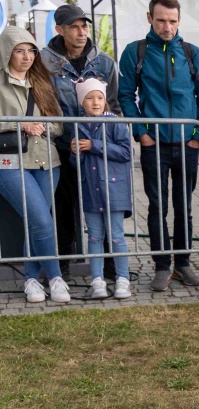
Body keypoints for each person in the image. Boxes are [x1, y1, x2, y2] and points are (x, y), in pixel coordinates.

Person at [118, 0, 199, 292]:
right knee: (157, 206)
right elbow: (125, 96)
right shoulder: (136, 51)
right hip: (153, 145)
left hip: (187, 144)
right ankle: (161, 266)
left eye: (172, 21)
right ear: (149, 18)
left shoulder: (192, 53)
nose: (167, 27)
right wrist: (142, 133)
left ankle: (183, 263)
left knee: (184, 205)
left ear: (179, 19)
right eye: (160, 21)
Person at [41, 4, 120, 279]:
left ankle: (111, 264)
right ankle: (63, 263)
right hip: (62, 147)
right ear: (60, 29)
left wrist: (111, 139)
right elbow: (42, 106)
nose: (81, 32)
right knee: (62, 207)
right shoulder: (43, 62)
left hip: (97, 150)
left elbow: (115, 106)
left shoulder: (104, 62)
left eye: (84, 26)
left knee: (104, 204)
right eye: (73, 27)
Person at [0, 26, 69, 303]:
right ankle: (55, 277)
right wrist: (21, 125)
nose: (27, 57)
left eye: (31, 51)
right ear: (7, 52)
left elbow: (60, 125)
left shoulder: (41, 82)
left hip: (47, 162)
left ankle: (31, 280)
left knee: (36, 223)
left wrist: (43, 128)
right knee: (41, 220)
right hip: (9, 162)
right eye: (19, 51)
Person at [70, 78, 133, 299]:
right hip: (90, 191)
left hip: (114, 190)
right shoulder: (78, 125)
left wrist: (94, 145)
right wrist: (74, 152)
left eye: (99, 97)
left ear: (105, 100)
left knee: (116, 236)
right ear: (81, 102)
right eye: (89, 98)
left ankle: (122, 279)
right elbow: (74, 163)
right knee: (94, 237)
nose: (95, 102)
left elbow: (127, 152)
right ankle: (97, 281)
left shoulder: (114, 122)